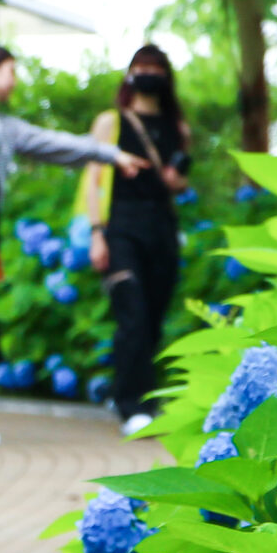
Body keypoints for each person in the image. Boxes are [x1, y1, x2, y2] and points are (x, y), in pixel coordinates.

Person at [0, 42, 140, 450]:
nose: (14, 79)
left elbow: (53, 144)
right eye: (10, 70)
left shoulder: (0, 125)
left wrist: (109, 154)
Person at [78, 45, 192, 433]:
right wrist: (97, 233)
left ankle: (126, 392)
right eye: (141, 67)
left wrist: (176, 181)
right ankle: (134, 407)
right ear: (130, 73)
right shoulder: (111, 123)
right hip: (121, 227)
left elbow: (180, 185)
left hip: (161, 228)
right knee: (133, 314)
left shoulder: (178, 128)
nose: (147, 74)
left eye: (155, 68)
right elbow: (93, 180)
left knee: (153, 320)